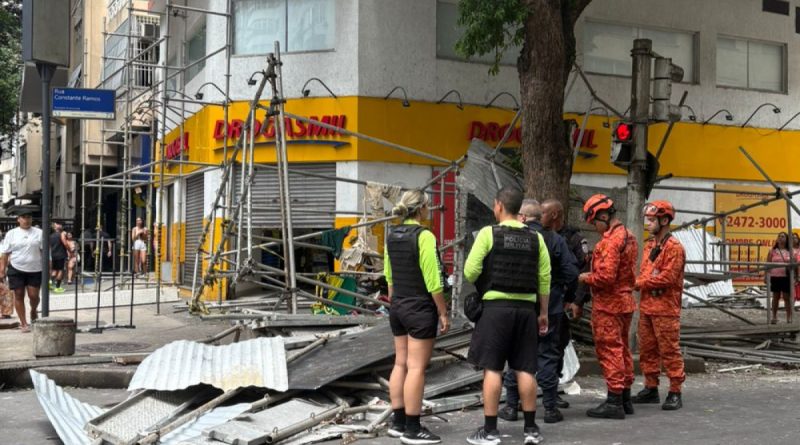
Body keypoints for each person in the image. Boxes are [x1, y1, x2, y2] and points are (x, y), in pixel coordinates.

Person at [464, 186, 551, 445]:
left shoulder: (489, 234)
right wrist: (543, 313)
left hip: (495, 311)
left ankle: (490, 431)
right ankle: (531, 429)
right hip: (526, 311)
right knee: (525, 368)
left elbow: (470, 271)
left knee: (492, 368)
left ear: (499, 205)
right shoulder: (537, 239)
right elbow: (544, 278)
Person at [499, 199, 578, 424]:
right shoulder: (555, 239)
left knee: (516, 356)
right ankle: (551, 409)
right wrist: (562, 293)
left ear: (522, 217)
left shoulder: (511, 238)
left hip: (518, 307)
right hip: (550, 307)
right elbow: (572, 272)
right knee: (548, 355)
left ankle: (512, 407)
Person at [384, 190, 449, 445]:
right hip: (419, 308)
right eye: (427, 206)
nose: (429, 209)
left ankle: (398, 422)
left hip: (398, 304)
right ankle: (413, 428)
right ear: (421, 208)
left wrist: (395, 302)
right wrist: (442, 312)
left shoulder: (392, 235)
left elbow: (388, 275)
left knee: (400, 363)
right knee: (416, 368)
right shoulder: (425, 237)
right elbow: (434, 281)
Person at [578, 194, 638, 419]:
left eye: (595, 222)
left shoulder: (611, 241)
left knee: (610, 350)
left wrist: (586, 278)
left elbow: (606, 277)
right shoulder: (629, 237)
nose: (595, 227)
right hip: (624, 302)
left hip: (609, 305)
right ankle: (624, 398)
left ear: (603, 215)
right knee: (623, 350)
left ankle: (614, 402)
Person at [632, 201, 686, 411]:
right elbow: (648, 273)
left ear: (664, 220)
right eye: (648, 219)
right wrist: (643, 281)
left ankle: (675, 391)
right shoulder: (650, 246)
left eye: (652, 220)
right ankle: (651, 387)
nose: (648, 224)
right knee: (647, 350)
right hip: (647, 307)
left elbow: (667, 278)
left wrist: (639, 283)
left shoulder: (674, 248)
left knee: (669, 350)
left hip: (665, 309)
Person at [541, 198, 589, 408]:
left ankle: (554, 390)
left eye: (543, 212)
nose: (539, 216)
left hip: (560, 302)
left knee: (557, 347)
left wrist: (576, 301)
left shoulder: (574, 239)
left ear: (554, 214)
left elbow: (582, 273)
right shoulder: (540, 236)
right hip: (542, 302)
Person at [0, 212, 44, 333]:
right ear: (18, 219)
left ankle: (33, 310)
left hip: (35, 269)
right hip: (16, 268)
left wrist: (48, 268)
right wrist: (2, 270)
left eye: (29, 217)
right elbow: (5, 253)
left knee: (34, 296)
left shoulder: (39, 233)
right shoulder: (11, 233)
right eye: (24, 217)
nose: (26, 220)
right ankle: (24, 323)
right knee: (18, 295)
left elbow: (45, 251)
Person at [767, 232, 793, 324]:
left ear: (786, 239)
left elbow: (794, 265)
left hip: (786, 277)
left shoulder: (790, 251)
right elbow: (768, 265)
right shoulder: (772, 251)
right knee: (775, 297)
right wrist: (766, 277)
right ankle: (774, 316)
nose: (780, 238)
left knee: (786, 297)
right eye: (779, 236)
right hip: (775, 277)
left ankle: (789, 317)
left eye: (783, 236)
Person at [49, 222, 68, 293]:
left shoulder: (51, 236)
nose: (61, 225)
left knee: (54, 270)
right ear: (55, 227)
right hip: (61, 254)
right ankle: (58, 287)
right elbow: (65, 243)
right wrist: (69, 250)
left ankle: (49, 283)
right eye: (58, 224)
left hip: (53, 254)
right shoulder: (62, 234)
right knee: (60, 270)